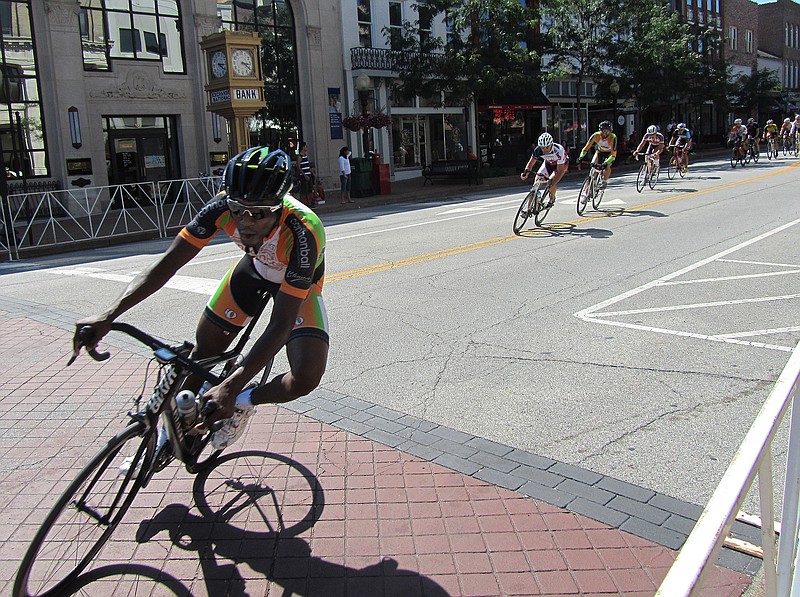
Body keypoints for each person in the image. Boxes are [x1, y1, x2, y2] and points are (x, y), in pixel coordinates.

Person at [72, 147, 329, 450]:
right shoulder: (220, 207)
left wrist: (233, 388)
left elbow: (281, 323)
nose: (245, 221)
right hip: (254, 270)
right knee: (204, 351)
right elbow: (166, 265)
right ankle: (170, 436)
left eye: (258, 213)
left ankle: (244, 403)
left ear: (279, 207)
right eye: (238, 209)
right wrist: (109, 314)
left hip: (297, 284)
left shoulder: (303, 231)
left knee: (307, 376)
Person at [520, 132, 568, 208]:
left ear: (551, 145)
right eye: (542, 147)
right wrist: (526, 172)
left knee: (551, 183)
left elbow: (560, 171)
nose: (545, 150)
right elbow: (530, 164)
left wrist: (552, 183)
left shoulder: (559, 150)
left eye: (547, 147)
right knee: (535, 185)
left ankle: (551, 199)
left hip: (560, 166)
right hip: (548, 163)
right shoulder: (538, 150)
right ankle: (528, 209)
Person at [578, 120, 617, 187]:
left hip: (609, 154)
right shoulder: (595, 135)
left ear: (610, 131)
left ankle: (604, 181)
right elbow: (586, 148)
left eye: (607, 132)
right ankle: (590, 186)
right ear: (599, 130)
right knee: (593, 168)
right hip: (599, 152)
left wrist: (606, 163)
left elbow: (613, 155)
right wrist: (580, 157)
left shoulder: (613, 137)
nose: (604, 133)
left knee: (607, 167)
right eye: (603, 131)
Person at [297, 141, 315, 208]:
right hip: (304, 176)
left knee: (309, 189)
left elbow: (307, 166)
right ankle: (303, 203)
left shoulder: (305, 156)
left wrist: (311, 172)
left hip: (308, 174)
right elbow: (299, 167)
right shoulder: (300, 156)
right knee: (304, 190)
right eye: (305, 146)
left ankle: (309, 202)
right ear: (303, 147)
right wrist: (304, 175)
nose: (306, 148)